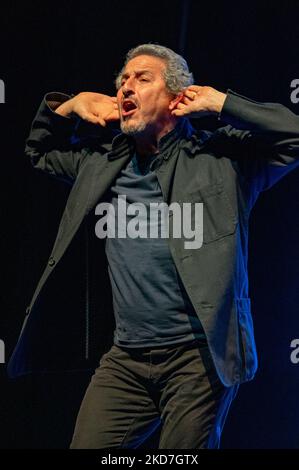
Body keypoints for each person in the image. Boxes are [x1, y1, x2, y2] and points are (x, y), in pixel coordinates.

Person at [8, 44, 299, 448]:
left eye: (142, 79)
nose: (126, 86)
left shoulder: (222, 159)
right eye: (122, 80)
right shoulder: (101, 163)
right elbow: (38, 152)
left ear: (178, 98)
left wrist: (223, 103)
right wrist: (71, 105)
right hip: (125, 360)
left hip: (199, 361)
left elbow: (293, 136)